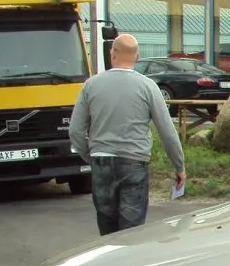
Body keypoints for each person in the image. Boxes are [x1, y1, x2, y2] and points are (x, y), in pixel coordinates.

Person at [68, 32, 186, 235]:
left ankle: (111, 265)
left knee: (107, 233)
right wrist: (179, 166)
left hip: (101, 162)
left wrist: (92, 156)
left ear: (112, 53)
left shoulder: (91, 85)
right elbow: (167, 132)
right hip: (134, 163)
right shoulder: (148, 87)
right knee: (131, 234)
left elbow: (75, 131)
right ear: (137, 57)